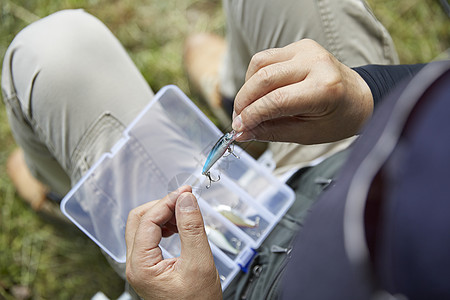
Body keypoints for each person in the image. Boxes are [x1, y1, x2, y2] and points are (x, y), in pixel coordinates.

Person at [4, 1, 447, 299]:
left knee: (53, 52)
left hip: (237, 284)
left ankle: (73, 196)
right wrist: (365, 91)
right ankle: (237, 95)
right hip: (354, 153)